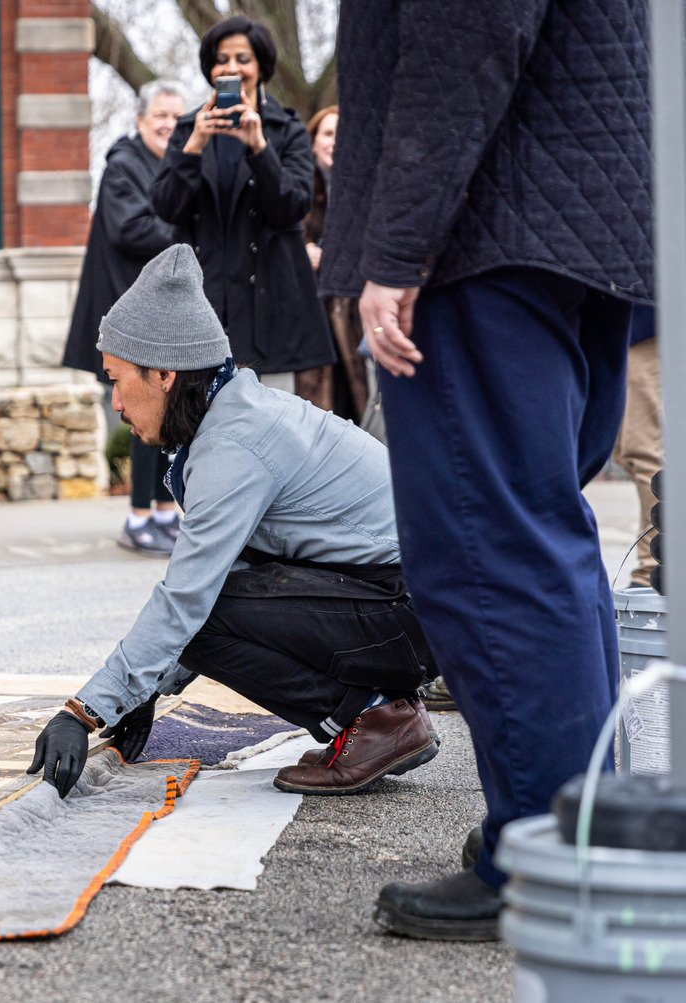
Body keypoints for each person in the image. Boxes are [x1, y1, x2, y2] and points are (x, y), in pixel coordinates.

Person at [321, 0, 651, 941]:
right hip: (569, 216)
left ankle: (546, 853)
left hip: (487, 229)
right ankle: (576, 827)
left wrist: (399, 248)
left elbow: (463, 36)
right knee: (542, 536)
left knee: (487, 550)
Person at [28, 245, 439, 801]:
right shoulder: (234, 415)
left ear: (164, 374)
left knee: (204, 616)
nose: (116, 403)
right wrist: (141, 691)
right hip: (406, 600)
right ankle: (380, 710)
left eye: (117, 380)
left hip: (417, 609)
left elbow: (188, 599)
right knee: (212, 610)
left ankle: (376, 720)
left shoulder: (234, 446)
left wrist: (85, 712)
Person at [149, 16, 334, 401]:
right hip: (203, 300)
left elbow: (293, 207)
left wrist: (259, 147)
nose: (232, 68)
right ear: (210, 69)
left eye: (243, 59)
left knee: (272, 425)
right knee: (202, 423)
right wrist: (195, 144)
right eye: (222, 59)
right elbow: (166, 206)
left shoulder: (286, 130)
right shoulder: (188, 130)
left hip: (270, 304)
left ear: (260, 67)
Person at [63, 80, 189, 556]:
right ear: (140, 120)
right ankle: (138, 519)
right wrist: (187, 232)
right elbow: (131, 228)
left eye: (177, 117)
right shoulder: (122, 166)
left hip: (155, 311)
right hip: (125, 313)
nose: (168, 125)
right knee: (143, 414)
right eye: (159, 115)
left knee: (167, 412)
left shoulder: (167, 165)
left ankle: (162, 511)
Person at [298, 105, 369, 421]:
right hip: (315, 316)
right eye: (328, 134)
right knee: (321, 409)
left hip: (357, 315)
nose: (335, 142)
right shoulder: (301, 190)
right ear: (313, 142)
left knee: (363, 400)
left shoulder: (365, 188)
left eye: (342, 134)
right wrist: (305, 252)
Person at [613, 305, 661, 590]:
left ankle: (654, 571)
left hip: (650, 320)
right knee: (627, 453)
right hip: (627, 327)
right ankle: (654, 568)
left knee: (645, 453)